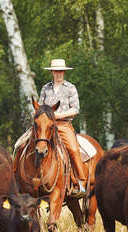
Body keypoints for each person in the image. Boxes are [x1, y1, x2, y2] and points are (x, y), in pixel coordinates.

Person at [39, 59, 86, 198]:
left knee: (73, 148)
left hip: (63, 124)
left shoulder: (70, 87)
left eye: (61, 71)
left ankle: (80, 182)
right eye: (56, 71)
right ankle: (17, 178)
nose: (58, 73)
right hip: (46, 124)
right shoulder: (45, 88)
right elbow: (40, 106)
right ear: (52, 72)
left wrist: (59, 115)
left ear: (64, 72)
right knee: (23, 143)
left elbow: (76, 109)